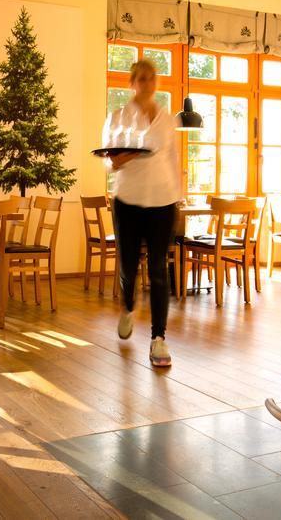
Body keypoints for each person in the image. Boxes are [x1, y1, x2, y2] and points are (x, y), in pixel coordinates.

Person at [100, 59, 181, 367]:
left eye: (152, 78)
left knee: (159, 270)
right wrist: (132, 153)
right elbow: (111, 161)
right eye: (142, 79)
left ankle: (158, 339)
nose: (147, 84)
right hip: (128, 201)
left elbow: (173, 159)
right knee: (129, 267)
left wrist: (178, 199)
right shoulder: (119, 116)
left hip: (162, 201)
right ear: (132, 83)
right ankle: (128, 307)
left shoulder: (167, 120)